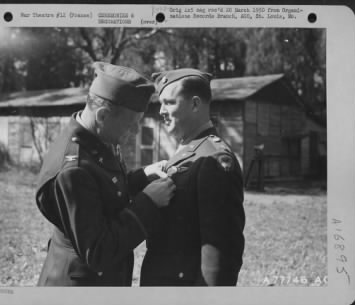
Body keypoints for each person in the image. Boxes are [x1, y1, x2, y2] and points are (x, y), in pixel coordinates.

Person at [35, 62, 175, 286]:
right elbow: (98, 251)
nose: (136, 131)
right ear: (102, 115)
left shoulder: (96, 138)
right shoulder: (74, 169)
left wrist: (142, 176)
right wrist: (148, 202)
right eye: (132, 124)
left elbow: (103, 192)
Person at [140, 68, 245, 286]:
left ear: (195, 104)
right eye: (161, 103)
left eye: (169, 102)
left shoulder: (213, 160)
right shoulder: (189, 150)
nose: (161, 111)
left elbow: (220, 256)